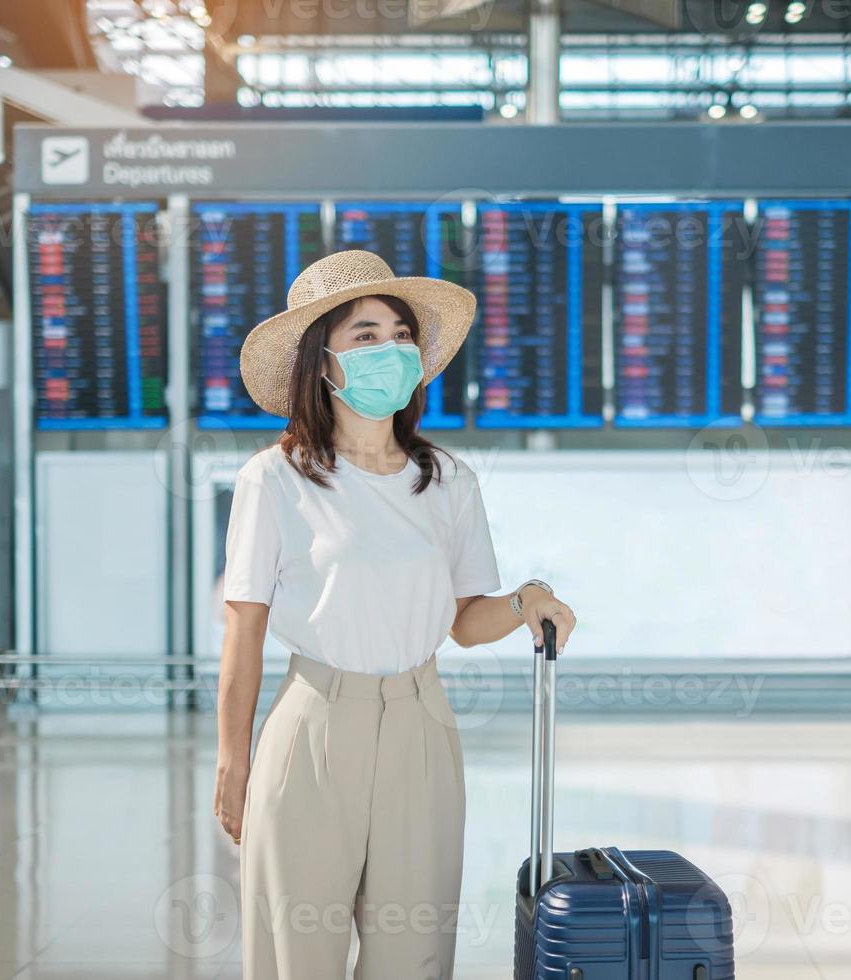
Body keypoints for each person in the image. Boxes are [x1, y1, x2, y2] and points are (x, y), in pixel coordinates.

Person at [212, 249, 578, 979]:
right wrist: (232, 759)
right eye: (366, 336)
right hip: (313, 722)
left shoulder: (446, 482)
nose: (392, 350)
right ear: (323, 362)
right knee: (299, 956)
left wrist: (521, 603)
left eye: (402, 334)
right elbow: (244, 628)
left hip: (422, 725)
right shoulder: (276, 478)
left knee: (413, 957)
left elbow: (463, 621)